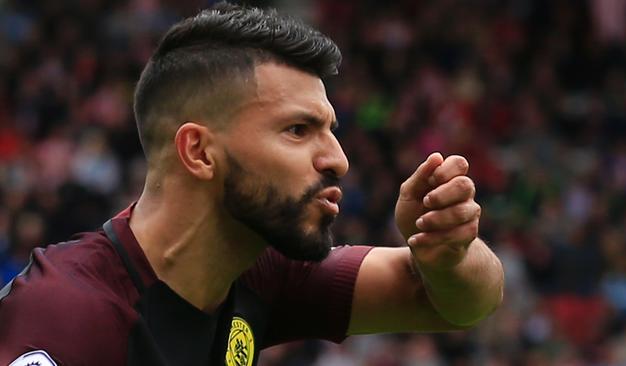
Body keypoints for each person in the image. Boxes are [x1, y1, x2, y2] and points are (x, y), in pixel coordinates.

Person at [0, 3, 504, 365]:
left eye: (332, 130)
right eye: (298, 130)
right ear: (198, 152)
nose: (338, 160)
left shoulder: (260, 271)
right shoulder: (67, 318)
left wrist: (448, 255)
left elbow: (457, 304)